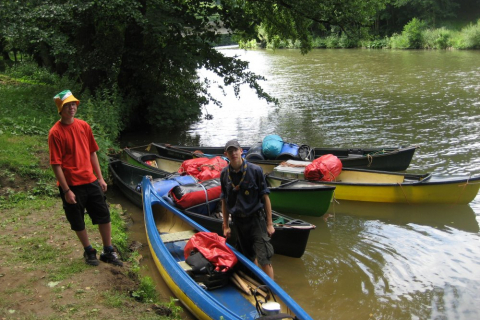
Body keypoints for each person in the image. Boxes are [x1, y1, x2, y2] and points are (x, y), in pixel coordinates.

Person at [48, 90, 122, 267]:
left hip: (90, 180)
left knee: (104, 215)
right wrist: (66, 190)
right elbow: (56, 164)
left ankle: (108, 250)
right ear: (61, 108)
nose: (72, 107)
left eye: (74, 104)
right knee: (77, 220)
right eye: (68, 105)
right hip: (72, 185)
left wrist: (100, 178)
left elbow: (92, 153)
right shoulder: (55, 133)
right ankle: (89, 251)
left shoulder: (84, 126)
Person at [220, 139, 275, 279]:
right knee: (248, 257)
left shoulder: (255, 171)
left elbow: (265, 197)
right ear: (226, 154)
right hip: (238, 222)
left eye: (235, 150)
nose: (233, 153)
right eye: (230, 151)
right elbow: (224, 201)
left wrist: (269, 224)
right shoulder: (224, 174)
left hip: (256, 220)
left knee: (264, 258)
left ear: (241, 151)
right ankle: (257, 280)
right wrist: (225, 226)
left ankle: (273, 292)